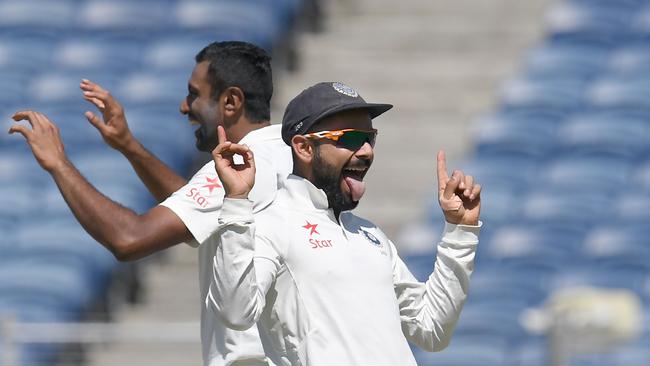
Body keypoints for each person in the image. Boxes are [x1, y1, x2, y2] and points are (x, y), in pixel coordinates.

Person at [8, 41, 291, 366]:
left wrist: (58, 163)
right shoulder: (283, 156)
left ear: (230, 101)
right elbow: (193, 215)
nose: (185, 107)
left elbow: (128, 238)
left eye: (194, 94)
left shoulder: (242, 165)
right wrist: (129, 146)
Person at [207, 82, 482, 365]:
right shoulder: (273, 222)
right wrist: (237, 201)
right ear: (303, 148)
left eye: (370, 138)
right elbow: (235, 312)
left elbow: (432, 330)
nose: (366, 151)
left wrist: (459, 232)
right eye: (350, 139)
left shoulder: (369, 233)